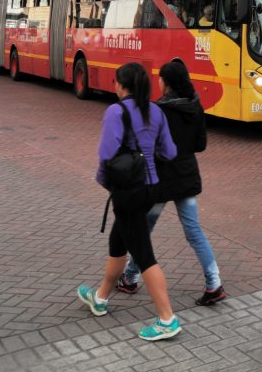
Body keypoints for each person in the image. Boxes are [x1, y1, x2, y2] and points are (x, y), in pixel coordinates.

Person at [77, 62, 182, 341]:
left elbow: (107, 154)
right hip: (149, 190)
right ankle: (99, 298)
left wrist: (104, 182)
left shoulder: (116, 111)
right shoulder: (156, 111)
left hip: (127, 192)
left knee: (144, 256)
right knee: (118, 242)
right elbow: (169, 152)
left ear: (120, 85)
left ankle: (167, 319)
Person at [116, 61, 226, 306]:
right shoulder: (195, 106)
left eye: (160, 78)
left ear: (165, 82)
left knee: (143, 230)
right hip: (186, 178)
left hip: (160, 181)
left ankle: (131, 277)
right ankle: (214, 283)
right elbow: (200, 145)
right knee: (194, 231)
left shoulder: (159, 110)